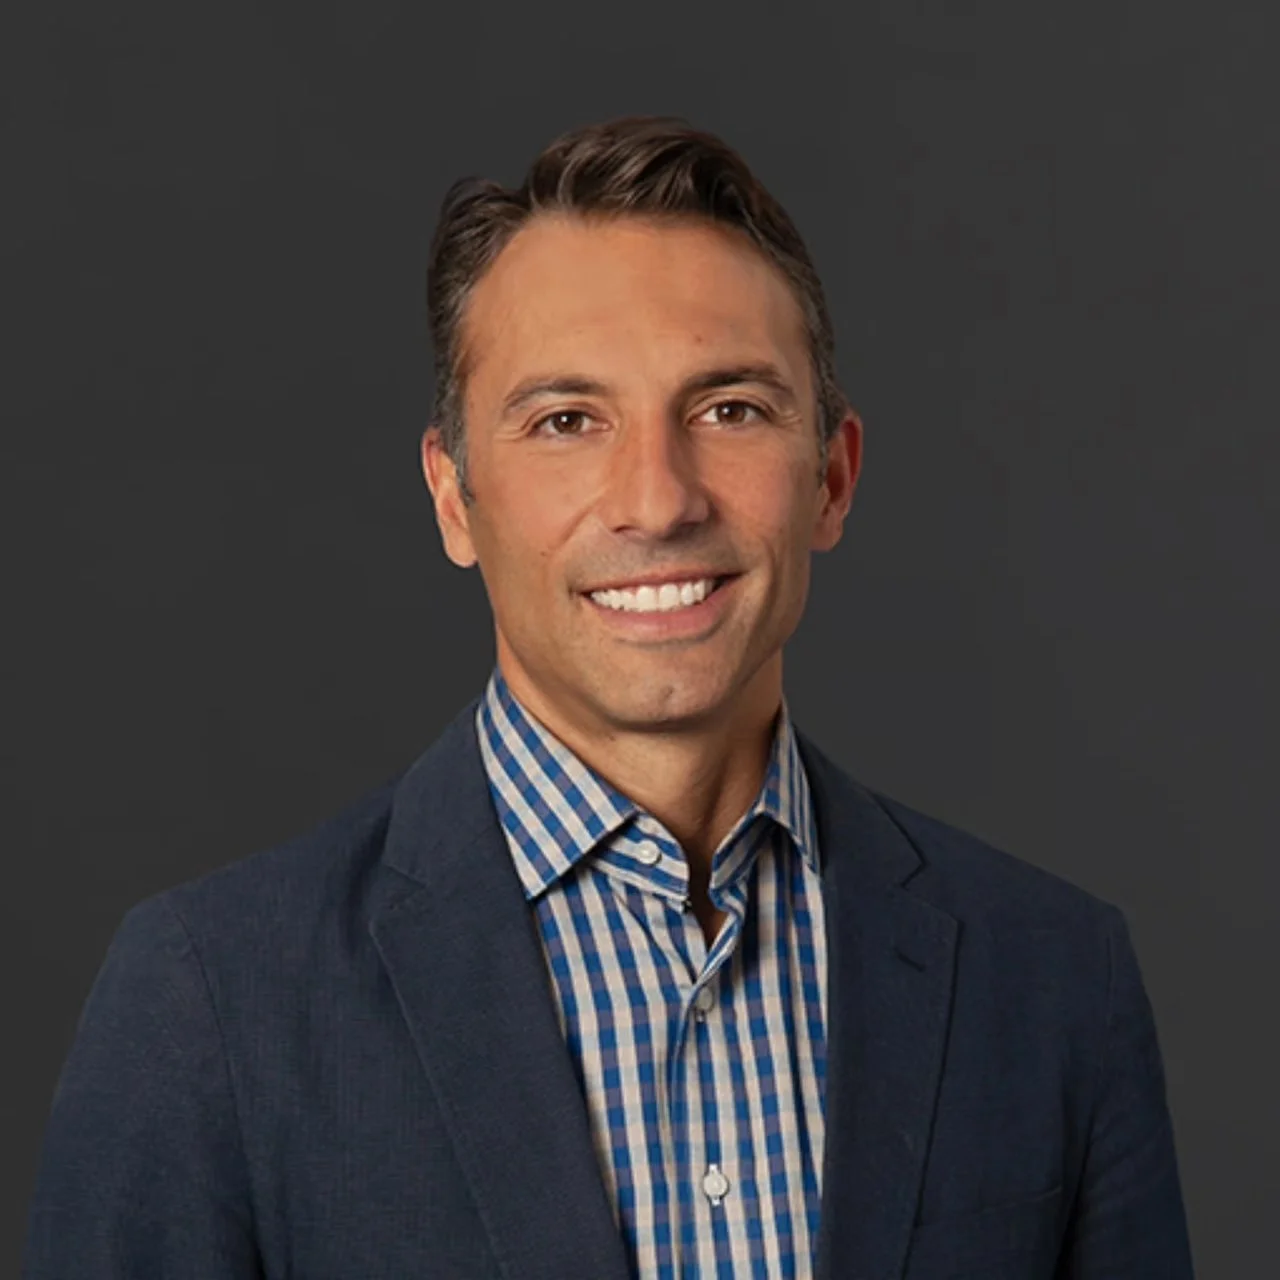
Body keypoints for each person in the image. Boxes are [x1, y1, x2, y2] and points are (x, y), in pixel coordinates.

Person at [23, 115, 1194, 1279]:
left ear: (831, 478)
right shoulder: (211, 998)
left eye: (729, 408)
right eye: (566, 421)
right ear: (452, 497)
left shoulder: (1052, 977)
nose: (656, 499)